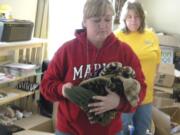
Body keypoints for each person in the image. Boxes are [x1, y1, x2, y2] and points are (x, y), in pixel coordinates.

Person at [40, 0, 146, 135]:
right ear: (84, 22)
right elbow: (45, 86)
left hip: (109, 131)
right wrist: (62, 90)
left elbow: (141, 88)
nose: (103, 26)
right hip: (70, 130)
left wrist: (118, 102)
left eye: (108, 20)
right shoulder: (67, 50)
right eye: (96, 20)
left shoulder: (124, 52)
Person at [114, 1, 161, 135]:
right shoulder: (117, 36)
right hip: (124, 97)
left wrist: (152, 79)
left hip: (146, 96)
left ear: (142, 17)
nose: (133, 20)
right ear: (124, 18)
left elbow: (156, 60)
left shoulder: (151, 35)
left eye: (137, 16)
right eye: (129, 16)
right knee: (121, 130)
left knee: (142, 130)